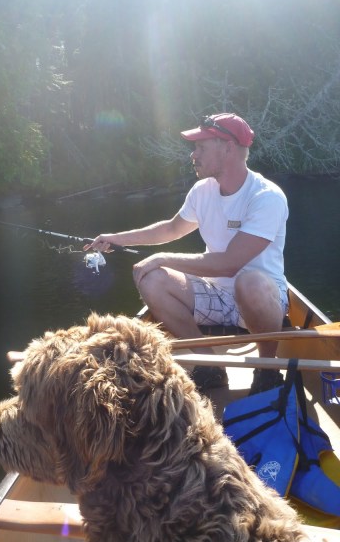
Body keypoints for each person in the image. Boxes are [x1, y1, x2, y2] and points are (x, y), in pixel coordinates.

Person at [85, 113, 289, 395]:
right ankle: (209, 363)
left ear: (228, 148)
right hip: (217, 295)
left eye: (201, 147)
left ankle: (267, 370)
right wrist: (114, 239)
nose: (194, 155)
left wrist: (163, 257)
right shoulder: (202, 191)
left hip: (263, 298)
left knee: (249, 281)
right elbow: (171, 229)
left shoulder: (266, 197)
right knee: (150, 278)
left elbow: (230, 264)